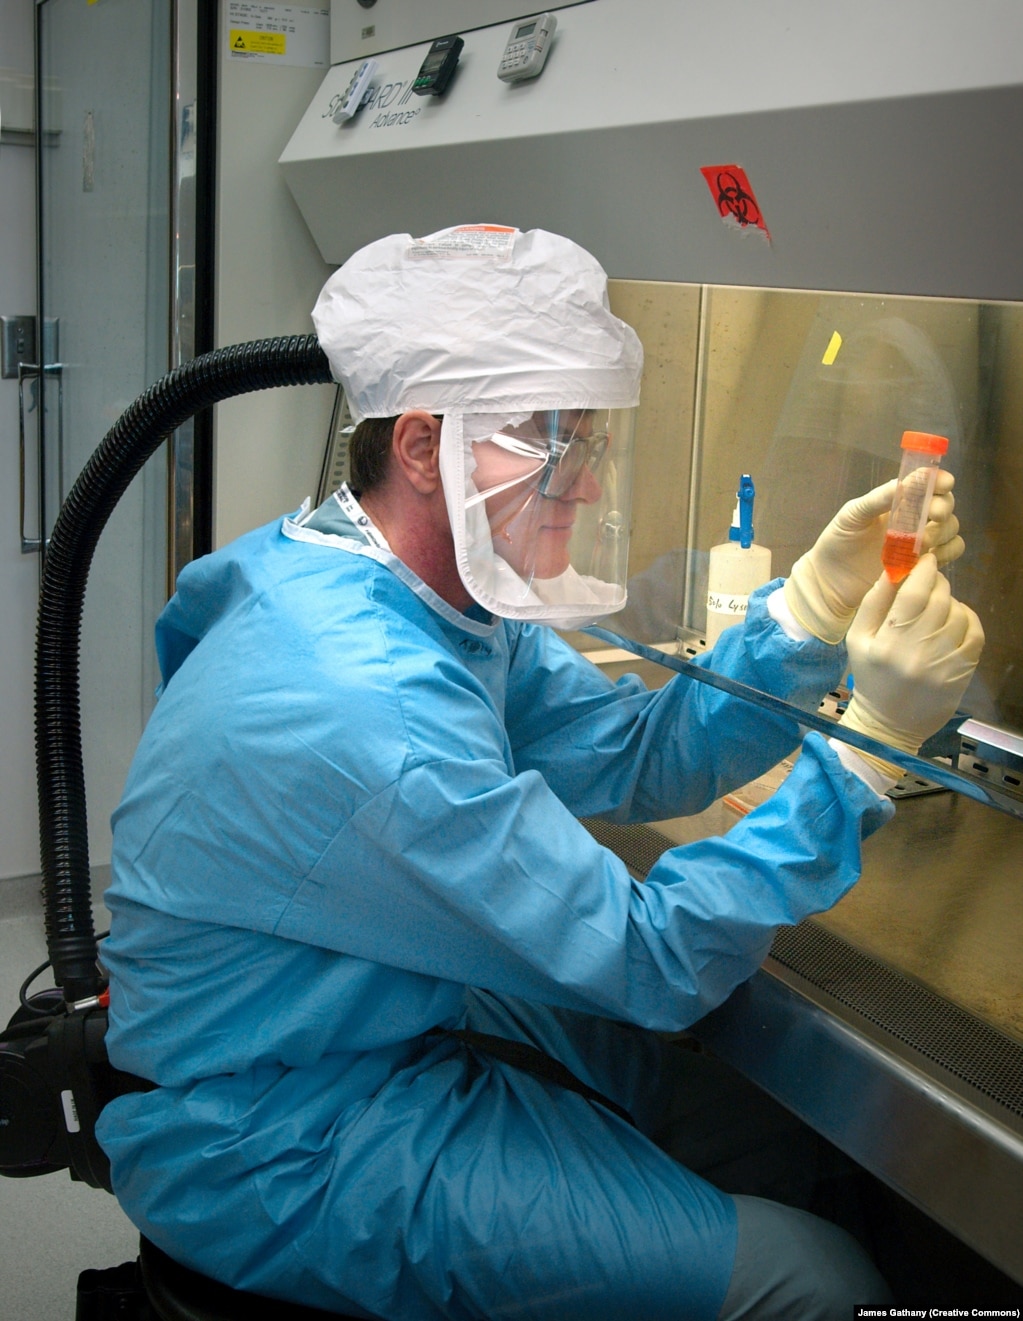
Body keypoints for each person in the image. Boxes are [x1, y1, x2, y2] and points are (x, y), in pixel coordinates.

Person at [95, 225, 983, 1321]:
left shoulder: (403, 586)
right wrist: (859, 756)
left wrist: (806, 610)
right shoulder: (367, 706)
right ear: (422, 446)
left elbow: (634, 754)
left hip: (357, 1021)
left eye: (592, 436)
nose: (588, 475)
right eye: (548, 436)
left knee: (744, 1121)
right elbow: (653, 959)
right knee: (815, 1280)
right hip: (275, 1133)